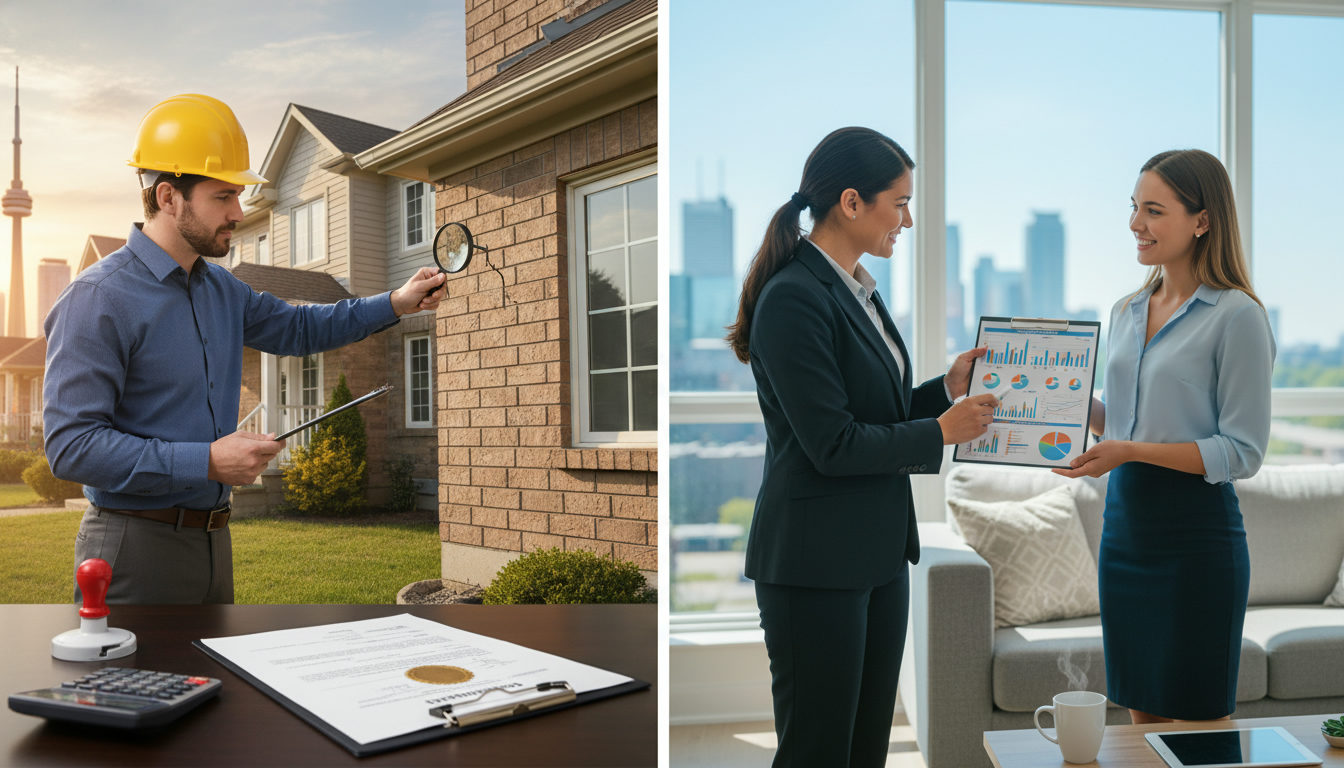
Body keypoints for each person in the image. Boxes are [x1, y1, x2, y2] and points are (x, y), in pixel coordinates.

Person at [44, 94, 447, 605]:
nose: (239, 211)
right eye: (223, 196)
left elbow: (300, 327)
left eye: (238, 195)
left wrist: (396, 302)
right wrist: (206, 461)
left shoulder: (222, 289)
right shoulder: (97, 298)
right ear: (168, 197)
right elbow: (71, 445)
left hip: (214, 542)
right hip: (133, 548)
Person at [725, 126, 999, 767]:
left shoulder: (857, 289)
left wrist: (943, 391)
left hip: (876, 557)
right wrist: (941, 431)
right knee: (818, 752)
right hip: (815, 566)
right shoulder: (793, 297)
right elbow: (834, 444)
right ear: (852, 202)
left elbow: (873, 414)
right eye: (899, 203)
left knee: (866, 749)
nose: (908, 220)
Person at [1053, 149, 1274, 723]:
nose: (1135, 224)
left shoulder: (1237, 316)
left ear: (1203, 220)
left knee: (1201, 730)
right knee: (1139, 723)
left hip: (1197, 541)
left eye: (1153, 210)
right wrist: (1045, 402)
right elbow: (1123, 423)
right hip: (1125, 535)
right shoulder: (1126, 310)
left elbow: (1242, 451)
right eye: (1134, 207)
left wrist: (1129, 451)